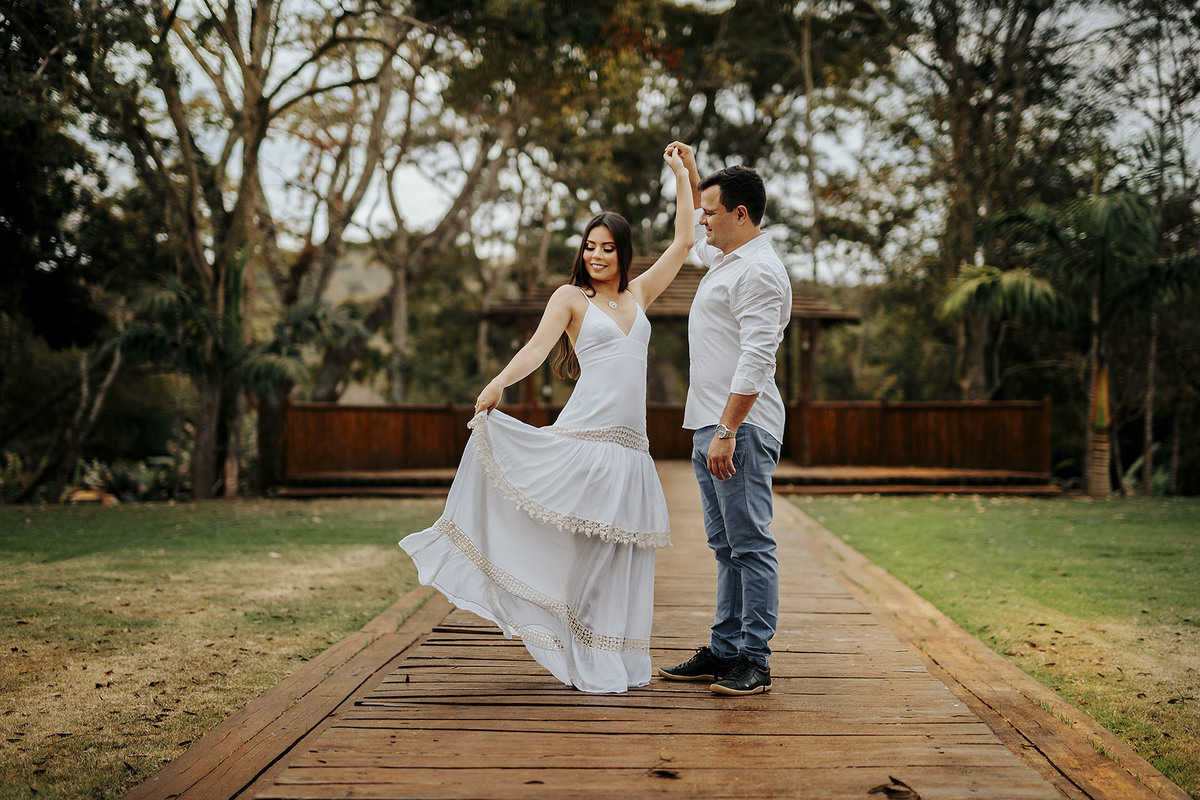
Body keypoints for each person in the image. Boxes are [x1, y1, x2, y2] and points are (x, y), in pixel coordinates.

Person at [399, 145, 695, 694]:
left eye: (607, 248)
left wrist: (682, 174)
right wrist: (497, 386)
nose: (597, 255)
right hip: (585, 440)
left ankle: (615, 658)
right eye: (589, 247)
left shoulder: (640, 294)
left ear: (623, 252)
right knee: (584, 551)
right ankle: (574, 642)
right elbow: (537, 349)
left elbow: (683, 240)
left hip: (632, 450)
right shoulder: (571, 297)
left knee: (622, 555)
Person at [656, 143, 791, 696]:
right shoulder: (726, 261)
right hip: (710, 425)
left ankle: (753, 660)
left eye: (712, 211)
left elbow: (759, 358)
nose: (702, 219)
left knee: (751, 545)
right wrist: (688, 176)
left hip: (741, 429)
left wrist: (729, 431)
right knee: (725, 546)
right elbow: (688, 237)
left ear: (741, 214)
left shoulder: (759, 272)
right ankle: (724, 649)